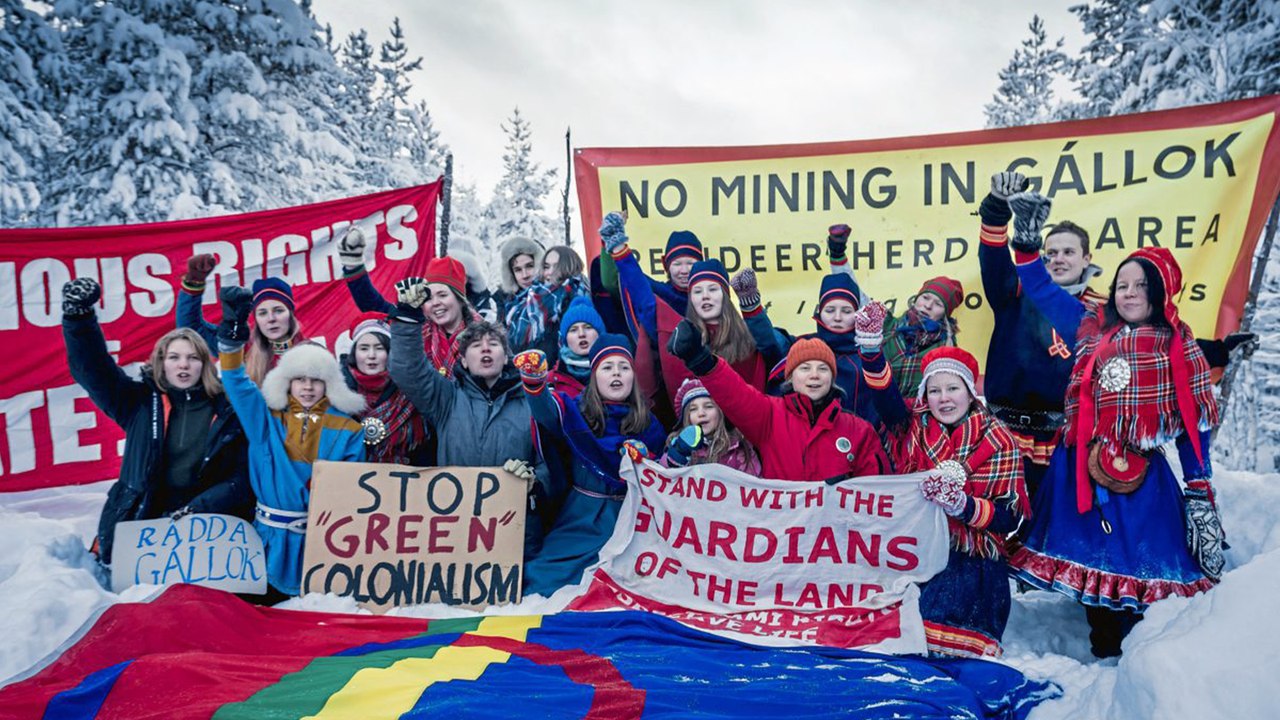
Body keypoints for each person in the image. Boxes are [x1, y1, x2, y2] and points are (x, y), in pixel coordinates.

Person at [1002, 192, 1224, 659]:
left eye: (1139, 286)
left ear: (1160, 293)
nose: (1127, 293)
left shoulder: (1179, 352)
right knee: (1094, 566)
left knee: (1140, 570)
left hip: (1141, 480)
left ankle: (1144, 662)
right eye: (1122, 284)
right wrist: (1024, 241)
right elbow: (1040, 289)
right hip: (1080, 467)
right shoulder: (1090, 325)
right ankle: (1104, 659)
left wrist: (1200, 493)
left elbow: (1192, 428)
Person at [855, 322, 1028, 658]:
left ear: (969, 392)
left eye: (953, 389)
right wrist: (872, 352)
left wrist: (963, 505)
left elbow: (1009, 518)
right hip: (915, 547)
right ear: (924, 396)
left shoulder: (998, 438)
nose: (944, 398)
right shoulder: (912, 427)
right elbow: (886, 400)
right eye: (934, 391)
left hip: (973, 556)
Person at [61, 278, 252, 565]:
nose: (183, 365)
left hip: (208, 534)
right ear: (161, 363)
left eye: (192, 358)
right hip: (140, 529)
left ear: (205, 363)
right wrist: (78, 319)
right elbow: (94, 371)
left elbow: (241, 476)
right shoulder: (138, 402)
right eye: (174, 357)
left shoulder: (228, 410)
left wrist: (199, 507)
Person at [216, 286, 366, 598]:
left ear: (329, 384)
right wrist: (232, 335)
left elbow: (350, 490)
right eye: (300, 379)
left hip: (321, 548)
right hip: (267, 544)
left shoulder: (349, 429)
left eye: (316, 380)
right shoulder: (266, 421)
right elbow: (236, 381)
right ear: (287, 382)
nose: (308, 387)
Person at [386, 280, 547, 556]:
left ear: (506, 357)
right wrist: (407, 319)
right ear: (462, 361)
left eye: (493, 344)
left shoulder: (533, 402)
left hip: (516, 534)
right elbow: (408, 371)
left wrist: (537, 482)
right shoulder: (446, 398)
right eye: (475, 346)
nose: (485, 349)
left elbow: (552, 462)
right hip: (455, 530)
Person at [977, 172, 1108, 498]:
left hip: (1064, 441)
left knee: (1047, 540)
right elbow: (993, 261)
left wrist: (1216, 351)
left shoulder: (1104, 313)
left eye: (1068, 252)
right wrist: (996, 207)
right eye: (1051, 252)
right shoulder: (1015, 294)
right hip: (1003, 436)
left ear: (1086, 258)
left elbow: (1149, 343)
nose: (1058, 259)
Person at [514, 335, 667, 596]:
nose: (616, 373)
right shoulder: (577, 411)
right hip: (582, 518)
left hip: (630, 522)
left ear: (633, 376)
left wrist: (647, 461)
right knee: (539, 579)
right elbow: (548, 413)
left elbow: (664, 473)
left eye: (624, 367)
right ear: (595, 376)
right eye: (607, 367)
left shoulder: (650, 424)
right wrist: (534, 386)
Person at [667, 321, 888, 482]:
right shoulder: (770, 415)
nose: (814, 375)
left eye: (823, 369)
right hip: (783, 541)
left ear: (832, 378)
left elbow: (879, 491)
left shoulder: (858, 430)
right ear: (791, 378)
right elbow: (735, 393)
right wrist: (700, 358)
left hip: (836, 539)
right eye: (804, 368)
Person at [730, 265, 880, 426]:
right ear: (820, 312)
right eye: (830, 310)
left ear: (857, 314)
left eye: (846, 311)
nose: (837, 317)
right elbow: (771, 342)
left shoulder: (869, 356)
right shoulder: (803, 346)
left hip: (854, 445)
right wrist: (752, 307)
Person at [828, 225, 963, 398]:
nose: (928, 306)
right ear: (916, 299)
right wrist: (837, 253)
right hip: (872, 408)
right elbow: (854, 293)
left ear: (945, 314)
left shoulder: (946, 348)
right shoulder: (886, 324)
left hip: (915, 418)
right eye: (925, 298)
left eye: (938, 304)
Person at [177, 254, 305, 384]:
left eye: (278, 310)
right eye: (262, 313)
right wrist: (193, 284)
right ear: (256, 318)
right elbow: (191, 329)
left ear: (290, 314)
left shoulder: (311, 353)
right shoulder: (240, 346)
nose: (271, 319)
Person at [340, 312, 433, 465]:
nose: (371, 355)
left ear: (391, 352)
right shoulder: (338, 395)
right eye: (364, 348)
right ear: (354, 354)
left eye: (379, 348)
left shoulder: (411, 392)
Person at [504, 243, 591, 364]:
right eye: (546, 266)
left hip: (563, 371)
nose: (549, 272)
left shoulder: (575, 296)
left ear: (569, 267)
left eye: (556, 266)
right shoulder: (528, 300)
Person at [660, 378, 762, 475]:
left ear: (720, 412)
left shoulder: (738, 448)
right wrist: (677, 454)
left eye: (708, 406)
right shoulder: (677, 444)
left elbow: (753, 485)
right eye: (693, 409)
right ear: (687, 417)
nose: (701, 413)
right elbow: (661, 478)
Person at [551, 296, 606, 396]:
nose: (581, 334)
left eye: (588, 327)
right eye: (573, 330)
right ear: (565, 339)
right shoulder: (551, 381)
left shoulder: (616, 373)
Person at [495, 235, 545, 313]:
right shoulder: (504, 304)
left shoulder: (557, 296)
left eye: (530, 266)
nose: (525, 275)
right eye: (518, 270)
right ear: (511, 274)